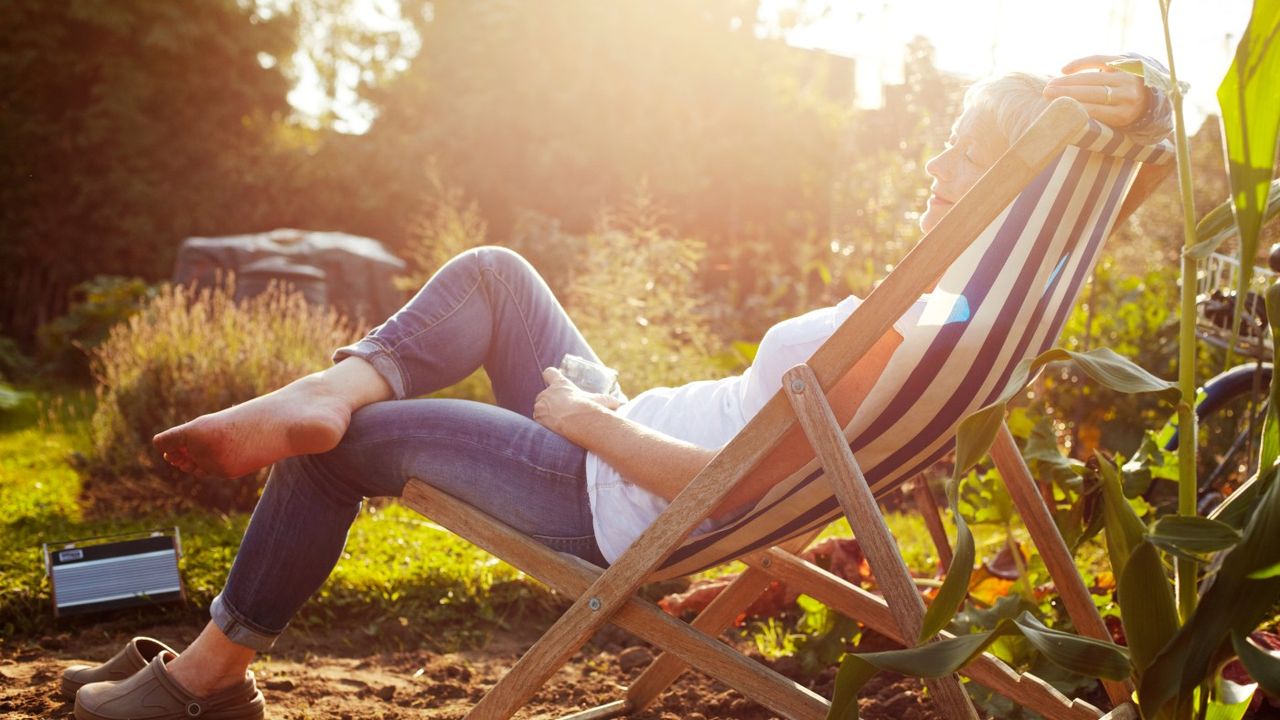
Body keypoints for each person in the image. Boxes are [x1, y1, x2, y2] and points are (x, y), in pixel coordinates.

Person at [68, 55, 1171, 720]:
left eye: (957, 157)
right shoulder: (963, 317)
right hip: (614, 440)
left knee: (347, 445)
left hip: (608, 491)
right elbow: (1150, 130)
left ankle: (209, 674)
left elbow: (724, 489)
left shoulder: (914, 327)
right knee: (497, 278)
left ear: (1005, 187)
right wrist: (1142, 96)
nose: (932, 172)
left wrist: (587, 421)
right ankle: (331, 383)